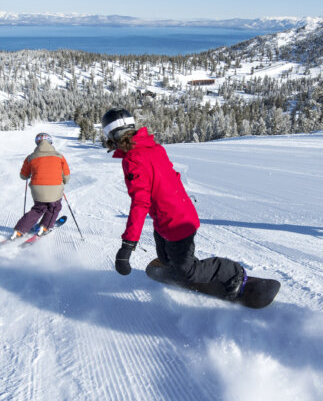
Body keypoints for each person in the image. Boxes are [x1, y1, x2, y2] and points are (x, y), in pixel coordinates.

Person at [101, 108, 248, 300]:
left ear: (111, 134)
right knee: (165, 260)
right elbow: (171, 177)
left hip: (177, 221)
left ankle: (234, 273)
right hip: (166, 217)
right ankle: (177, 269)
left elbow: (140, 203)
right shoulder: (151, 147)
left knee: (188, 272)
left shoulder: (133, 158)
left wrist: (127, 246)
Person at [9, 132, 71, 239]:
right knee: (54, 207)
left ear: (37, 143)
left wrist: (28, 174)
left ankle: (19, 230)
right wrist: (64, 181)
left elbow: (23, 175)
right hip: (55, 188)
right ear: (50, 142)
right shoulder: (59, 156)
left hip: (37, 189)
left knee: (38, 209)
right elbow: (66, 175)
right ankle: (45, 227)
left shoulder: (31, 157)